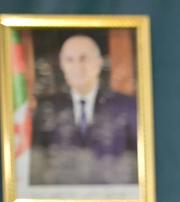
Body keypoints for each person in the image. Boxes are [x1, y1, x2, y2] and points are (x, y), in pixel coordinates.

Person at [29, 34, 138, 186]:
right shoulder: (46, 107)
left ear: (99, 63)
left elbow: (137, 162)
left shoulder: (126, 106)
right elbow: (37, 161)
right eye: (70, 60)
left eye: (84, 58)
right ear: (62, 65)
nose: (77, 66)